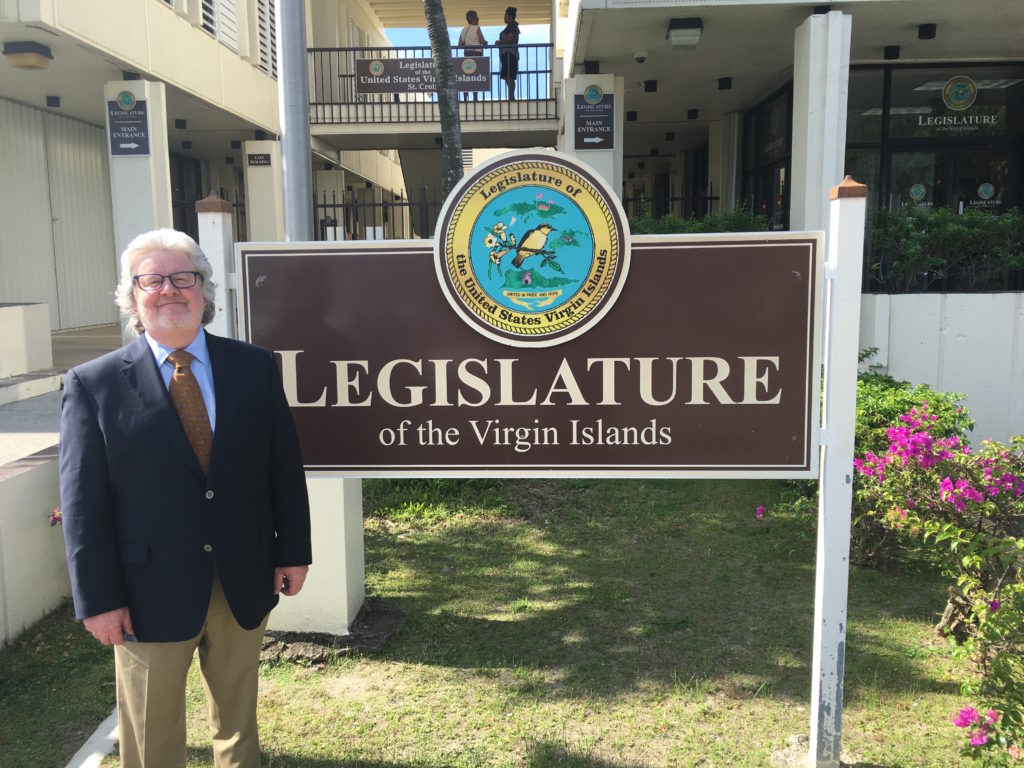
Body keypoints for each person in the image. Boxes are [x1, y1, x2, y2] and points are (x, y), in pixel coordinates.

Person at [59, 228, 312, 768]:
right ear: (133, 296)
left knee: (239, 727)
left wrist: (294, 550)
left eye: (182, 278)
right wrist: (97, 598)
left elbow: (282, 468)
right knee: (151, 735)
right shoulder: (93, 384)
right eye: (152, 280)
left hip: (242, 577)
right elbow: (82, 503)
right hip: (146, 591)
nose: (168, 290)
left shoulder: (254, 367)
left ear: (204, 290)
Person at [498, 6, 520, 101]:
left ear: (511, 17)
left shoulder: (512, 26)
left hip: (509, 54)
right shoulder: (510, 26)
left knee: (509, 75)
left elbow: (510, 39)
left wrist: (499, 42)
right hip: (507, 54)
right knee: (508, 75)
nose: (504, 17)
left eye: (506, 16)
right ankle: (511, 95)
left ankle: (511, 96)